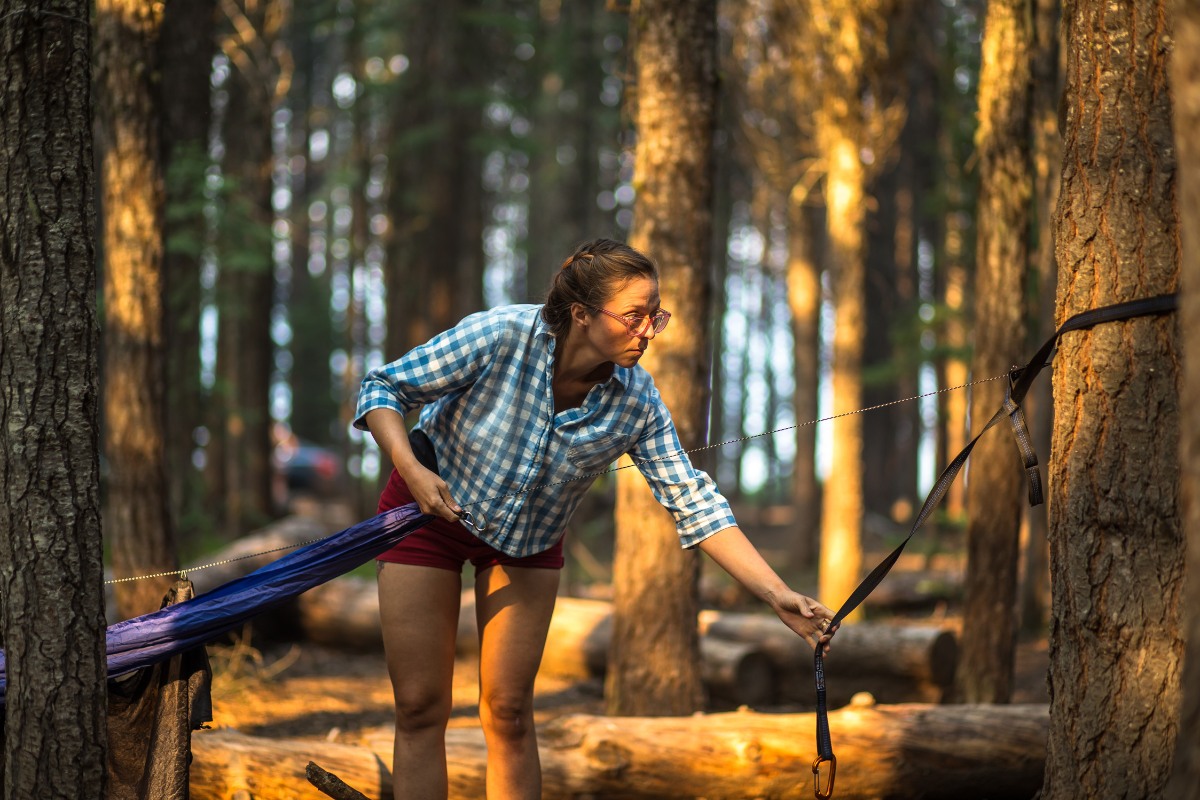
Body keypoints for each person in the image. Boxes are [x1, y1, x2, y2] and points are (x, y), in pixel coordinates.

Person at [355, 238, 835, 800]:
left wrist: (776, 593)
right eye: (634, 316)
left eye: (656, 315)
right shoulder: (502, 335)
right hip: (426, 513)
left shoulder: (636, 401)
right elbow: (383, 386)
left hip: (525, 541)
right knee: (419, 706)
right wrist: (410, 469)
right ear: (581, 314)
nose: (649, 331)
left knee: (508, 711)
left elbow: (694, 500)